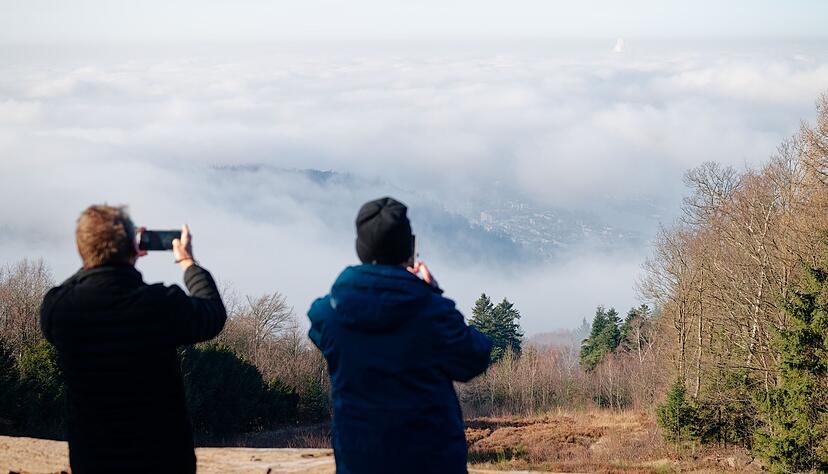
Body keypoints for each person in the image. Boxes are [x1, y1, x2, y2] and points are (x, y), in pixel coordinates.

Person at [307, 197, 493, 474]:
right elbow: (475, 357)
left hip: (359, 463)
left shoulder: (329, 314)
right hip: (432, 463)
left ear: (361, 248)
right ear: (409, 249)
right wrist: (431, 292)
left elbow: (320, 326)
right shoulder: (431, 311)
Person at [40, 205, 226, 474]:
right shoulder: (160, 305)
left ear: (82, 250)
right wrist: (187, 261)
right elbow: (212, 313)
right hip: (163, 462)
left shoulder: (59, 310)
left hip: (93, 462)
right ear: (133, 245)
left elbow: (62, 289)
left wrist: (95, 260)